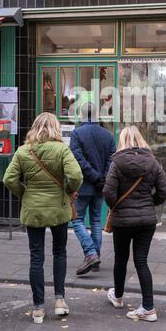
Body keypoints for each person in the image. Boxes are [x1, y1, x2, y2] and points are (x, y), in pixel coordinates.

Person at [3, 112, 83, 323]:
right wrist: (68, 190)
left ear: (34, 127)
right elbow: (76, 176)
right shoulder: (62, 149)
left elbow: (8, 179)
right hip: (58, 209)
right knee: (60, 252)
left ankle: (38, 308)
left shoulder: (23, 151)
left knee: (36, 257)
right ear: (55, 128)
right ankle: (59, 301)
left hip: (33, 210)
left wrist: (24, 193)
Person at [103, 125, 166, 322]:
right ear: (141, 139)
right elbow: (164, 191)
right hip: (147, 220)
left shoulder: (116, 163)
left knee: (120, 259)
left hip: (122, 221)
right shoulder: (153, 163)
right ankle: (148, 307)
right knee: (141, 261)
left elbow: (108, 192)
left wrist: (115, 205)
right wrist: (150, 203)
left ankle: (118, 297)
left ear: (122, 140)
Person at [70, 102, 116, 275]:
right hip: (100, 186)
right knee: (96, 221)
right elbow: (113, 159)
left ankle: (90, 253)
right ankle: (95, 257)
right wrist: (102, 178)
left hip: (83, 185)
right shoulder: (108, 135)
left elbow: (77, 160)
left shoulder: (77, 134)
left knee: (76, 220)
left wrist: (95, 177)